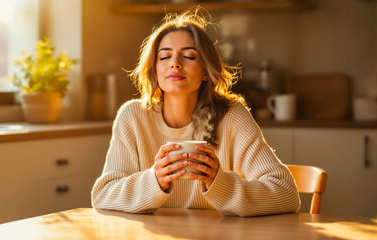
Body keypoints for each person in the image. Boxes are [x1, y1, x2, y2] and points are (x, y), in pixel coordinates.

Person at [91, 8, 300, 217]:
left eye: (189, 56)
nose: (175, 63)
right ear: (155, 70)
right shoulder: (133, 116)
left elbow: (287, 193)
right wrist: (155, 179)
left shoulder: (232, 117)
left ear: (206, 72)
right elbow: (102, 195)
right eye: (164, 57)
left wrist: (219, 182)